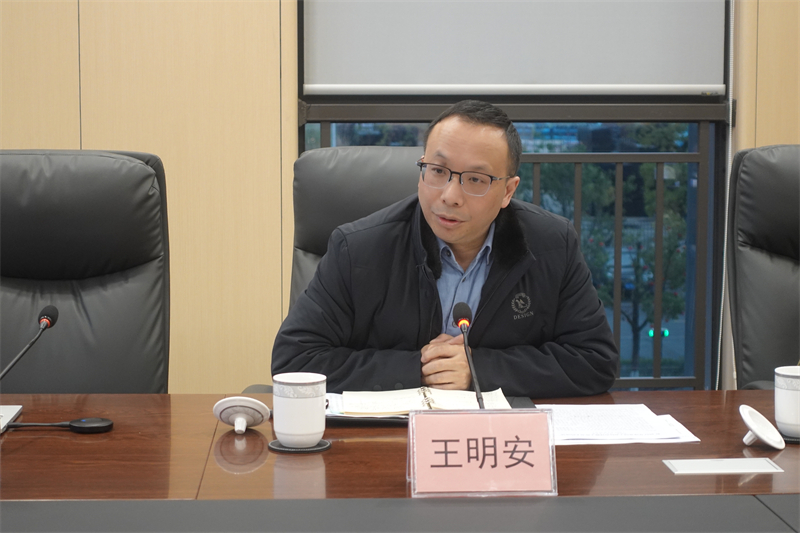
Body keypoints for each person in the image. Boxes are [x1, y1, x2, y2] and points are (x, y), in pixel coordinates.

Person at [272, 100, 619, 398]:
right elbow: (294, 360)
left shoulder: (552, 245)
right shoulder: (358, 249)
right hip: (390, 439)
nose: (450, 195)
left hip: (497, 439)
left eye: (476, 179)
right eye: (438, 171)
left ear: (508, 191)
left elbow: (595, 360)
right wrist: (421, 369)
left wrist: (478, 370)